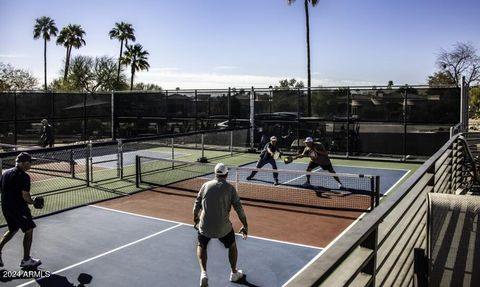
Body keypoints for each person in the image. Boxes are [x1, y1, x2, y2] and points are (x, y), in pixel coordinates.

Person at [193, 163, 248, 287]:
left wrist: (195, 219)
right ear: (226, 174)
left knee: (201, 245)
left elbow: (196, 205)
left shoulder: (205, 185)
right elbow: (239, 209)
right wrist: (245, 225)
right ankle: (234, 273)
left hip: (204, 226)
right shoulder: (230, 189)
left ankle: (203, 273)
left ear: (215, 173)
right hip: (223, 228)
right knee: (232, 245)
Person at [0, 152, 42, 268]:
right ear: (23, 163)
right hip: (19, 208)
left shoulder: (5, 173)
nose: (31, 164)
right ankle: (26, 260)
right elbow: (25, 196)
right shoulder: (24, 176)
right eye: (30, 162)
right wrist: (33, 202)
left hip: (6, 207)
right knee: (29, 230)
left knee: (13, 229)